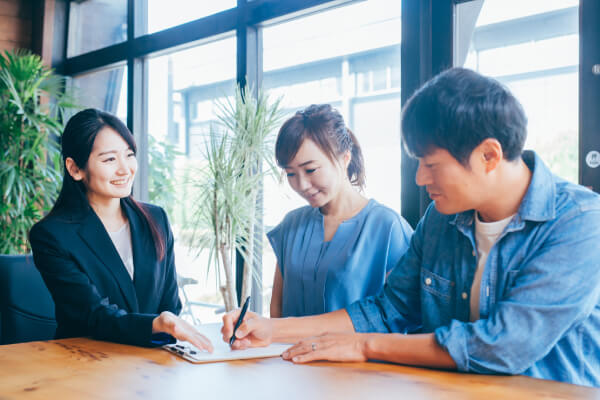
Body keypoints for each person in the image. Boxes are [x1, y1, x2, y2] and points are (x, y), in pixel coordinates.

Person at [222, 68, 600, 387]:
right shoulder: (441, 218)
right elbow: (387, 311)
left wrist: (364, 346)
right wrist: (272, 330)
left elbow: (503, 345)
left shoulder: (579, 222)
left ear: (489, 155)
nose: (420, 178)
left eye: (431, 164)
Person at [29, 109, 213, 351]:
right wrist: (156, 325)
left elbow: (170, 304)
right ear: (75, 169)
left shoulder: (155, 219)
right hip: (86, 365)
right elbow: (93, 315)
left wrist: (164, 327)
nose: (125, 169)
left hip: (152, 361)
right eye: (109, 159)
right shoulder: (52, 235)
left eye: (129, 155)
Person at [268, 104, 413, 318]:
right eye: (290, 174)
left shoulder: (388, 227)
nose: (302, 184)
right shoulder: (291, 225)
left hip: (360, 353)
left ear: (345, 158)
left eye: (310, 170)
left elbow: (403, 316)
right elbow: (277, 311)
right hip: (286, 352)